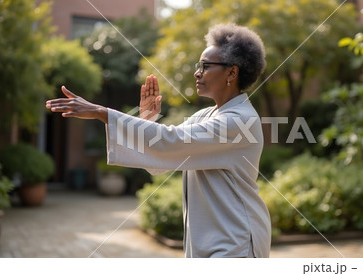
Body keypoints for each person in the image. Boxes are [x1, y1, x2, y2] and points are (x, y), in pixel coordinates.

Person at [46, 23, 271, 258]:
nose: (197, 73)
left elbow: (171, 140)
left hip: (237, 241)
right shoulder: (205, 116)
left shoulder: (240, 121)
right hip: (213, 239)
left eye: (205, 66)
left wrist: (101, 112)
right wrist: (149, 120)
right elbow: (161, 160)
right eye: (198, 66)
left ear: (232, 73)